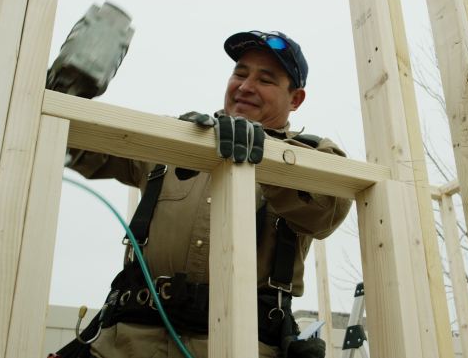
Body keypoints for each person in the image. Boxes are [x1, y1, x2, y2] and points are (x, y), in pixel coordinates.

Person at [62, 30, 352, 358]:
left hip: (238, 347)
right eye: (240, 74)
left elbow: (327, 209)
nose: (245, 86)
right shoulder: (173, 141)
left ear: (295, 99)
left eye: (265, 80)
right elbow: (74, 145)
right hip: (126, 345)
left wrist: (266, 154)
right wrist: (68, 89)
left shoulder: (311, 156)